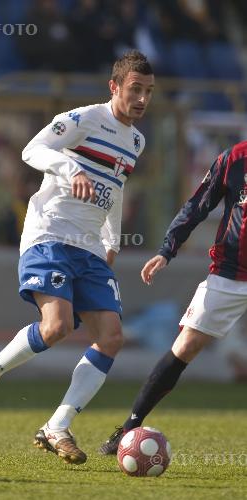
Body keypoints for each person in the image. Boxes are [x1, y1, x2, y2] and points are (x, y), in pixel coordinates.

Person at [0, 50, 155, 465]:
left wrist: (112, 240)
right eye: (135, 89)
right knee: (57, 327)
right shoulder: (82, 119)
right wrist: (70, 169)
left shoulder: (136, 141)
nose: (142, 99)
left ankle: (57, 425)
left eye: (149, 92)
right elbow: (32, 150)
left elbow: (113, 190)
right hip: (50, 234)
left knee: (111, 336)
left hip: (91, 247)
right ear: (114, 87)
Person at [99, 140, 247, 455]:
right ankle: (129, 427)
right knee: (185, 346)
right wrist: (168, 250)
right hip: (232, 273)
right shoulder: (235, 158)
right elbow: (197, 205)